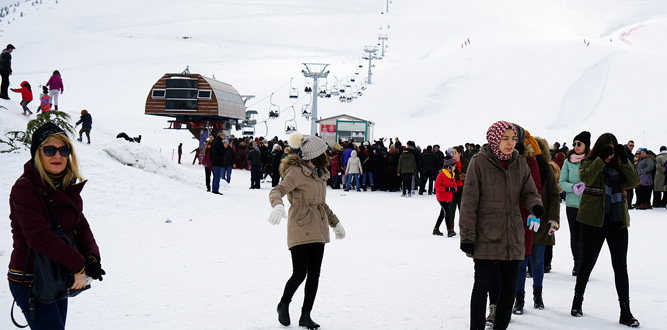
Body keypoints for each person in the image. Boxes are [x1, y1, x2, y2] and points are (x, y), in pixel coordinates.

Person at [8, 122, 105, 329]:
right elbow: (38, 236)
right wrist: (79, 265)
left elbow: (81, 226)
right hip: (30, 279)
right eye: (50, 149)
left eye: (63, 150)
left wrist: (92, 258)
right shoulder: (25, 188)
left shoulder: (66, 185)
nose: (58, 156)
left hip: (59, 273)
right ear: (37, 153)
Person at [459, 121, 543, 330]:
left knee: (508, 289)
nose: (510, 143)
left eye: (513, 139)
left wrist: (536, 205)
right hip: (486, 235)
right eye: (505, 138)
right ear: (495, 138)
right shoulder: (479, 162)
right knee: (482, 287)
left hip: (512, 235)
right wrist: (467, 237)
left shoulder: (519, 162)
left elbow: (529, 192)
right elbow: (469, 202)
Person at [267, 131, 346, 330]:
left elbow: (322, 204)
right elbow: (277, 190)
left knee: (314, 275)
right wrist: (277, 205)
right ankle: (284, 304)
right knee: (300, 272)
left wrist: (335, 223)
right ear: (315, 155)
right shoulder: (296, 172)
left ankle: (306, 315)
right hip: (301, 226)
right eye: (324, 152)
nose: (327, 155)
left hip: (319, 229)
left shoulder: (319, 175)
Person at [570, 133, 640, 327]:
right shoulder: (589, 162)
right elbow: (586, 177)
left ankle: (625, 312)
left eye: (612, 149)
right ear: (600, 149)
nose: (610, 153)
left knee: (620, 267)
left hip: (617, 221)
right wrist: (601, 159)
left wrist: (624, 159)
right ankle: (577, 300)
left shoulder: (620, 163)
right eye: (606, 149)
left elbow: (634, 181)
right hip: (594, 221)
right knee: (586, 263)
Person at [513, 136, 560, 315]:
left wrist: (553, 219)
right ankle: (519, 298)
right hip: (521, 219)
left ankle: (537, 295)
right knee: (521, 262)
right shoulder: (519, 166)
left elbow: (554, 195)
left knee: (538, 261)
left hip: (541, 219)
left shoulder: (545, 168)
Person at [559, 131, 590, 276]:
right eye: (574, 144)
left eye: (579, 144)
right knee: (575, 235)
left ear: (586, 146)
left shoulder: (591, 160)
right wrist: (572, 188)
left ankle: (585, 264)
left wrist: (586, 187)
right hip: (572, 204)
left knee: (587, 236)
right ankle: (577, 263)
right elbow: (561, 182)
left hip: (588, 204)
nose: (576, 147)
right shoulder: (568, 161)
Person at [433, 154, 457, 236]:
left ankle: (436, 229)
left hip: (448, 197)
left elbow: (454, 185)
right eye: (454, 166)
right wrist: (446, 189)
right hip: (441, 197)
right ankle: (449, 230)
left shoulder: (452, 175)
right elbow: (436, 186)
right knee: (447, 212)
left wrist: (454, 189)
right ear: (449, 166)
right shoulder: (442, 174)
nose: (455, 167)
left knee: (443, 213)